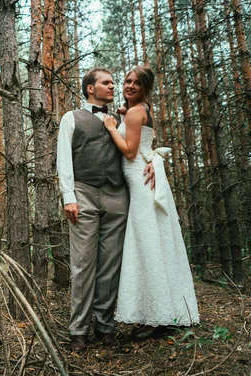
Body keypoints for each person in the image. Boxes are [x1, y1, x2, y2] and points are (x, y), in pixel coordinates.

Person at [57, 67, 155, 352]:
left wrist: (152, 161)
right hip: (84, 195)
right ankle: (78, 331)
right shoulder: (71, 118)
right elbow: (64, 159)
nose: (114, 86)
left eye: (115, 82)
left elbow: (138, 144)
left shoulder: (122, 117)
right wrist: (68, 196)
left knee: (110, 266)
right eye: (107, 82)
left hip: (117, 196)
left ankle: (104, 327)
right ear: (90, 88)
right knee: (82, 265)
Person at [103, 66, 200, 338]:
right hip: (145, 182)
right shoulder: (140, 109)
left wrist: (112, 127)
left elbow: (131, 152)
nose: (129, 85)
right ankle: (167, 310)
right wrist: (123, 116)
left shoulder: (136, 111)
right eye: (127, 80)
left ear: (146, 88)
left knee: (147, 245)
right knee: (157, 242)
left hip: (141, 183)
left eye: (137, 83)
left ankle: (156, 316)